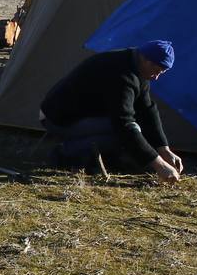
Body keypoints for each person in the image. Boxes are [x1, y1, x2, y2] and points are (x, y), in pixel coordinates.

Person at [40, 40, 184, 184]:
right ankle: (66, 153)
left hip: (82, 114)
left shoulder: (136, 65)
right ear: (147, 61)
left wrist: (164, 149)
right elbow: (123, 123)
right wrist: (159, 165)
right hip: (57, 118)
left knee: (135, 128)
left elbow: (147, 109)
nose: (156, 77)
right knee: (126, 132)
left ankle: (100, 156)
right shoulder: (121, 74)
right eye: (157, 71)